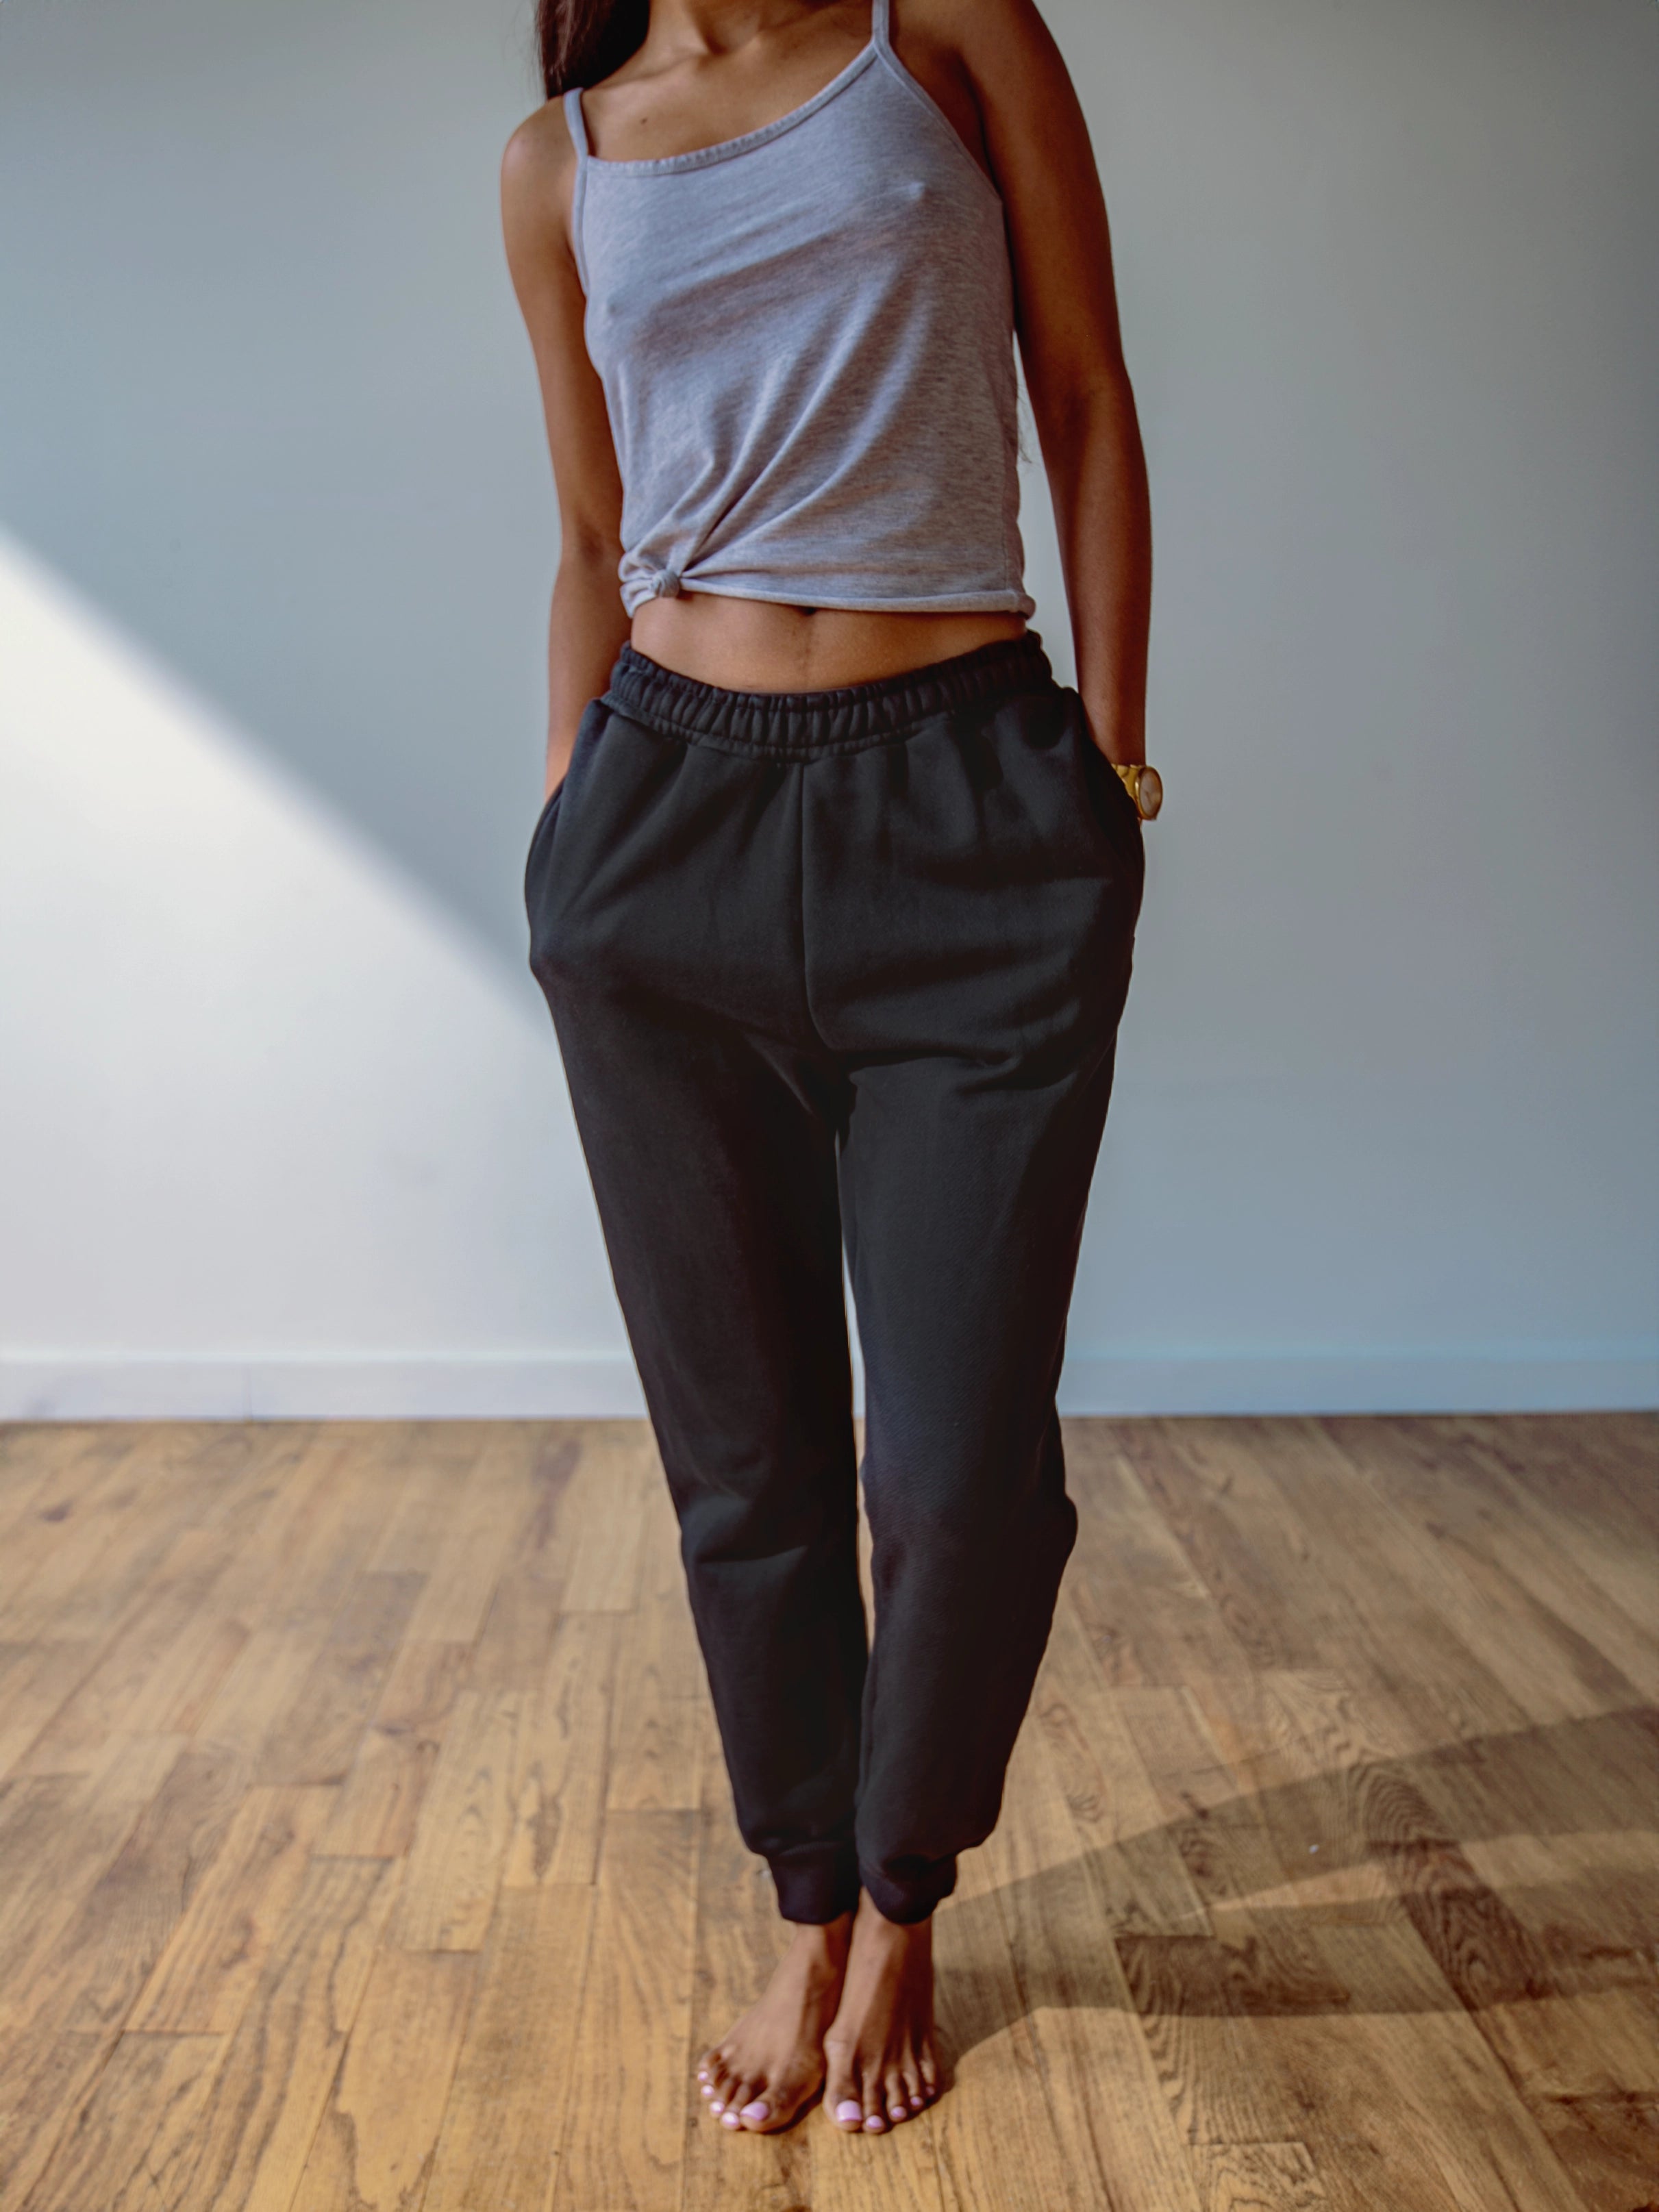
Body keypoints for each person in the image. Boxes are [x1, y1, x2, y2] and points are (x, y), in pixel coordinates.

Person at [502, 0, 1158, 2141]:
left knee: (961, 1469)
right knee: (743, 1454)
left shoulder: (948, 33)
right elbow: (594, 535)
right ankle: (815, 1902)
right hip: (667, 823)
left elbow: (1081, 389)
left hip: (966, 797)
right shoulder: (561, 160)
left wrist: (1114, 772)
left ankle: (908, 1887)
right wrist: (564, 847)